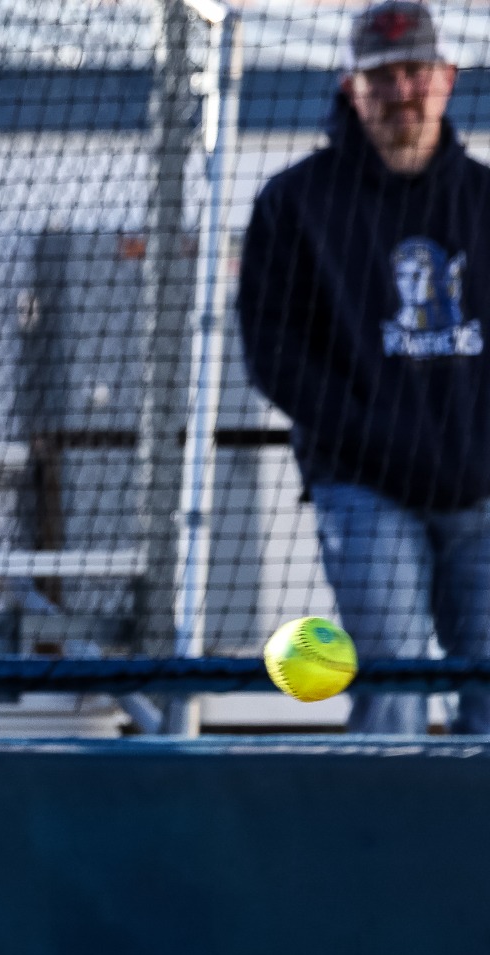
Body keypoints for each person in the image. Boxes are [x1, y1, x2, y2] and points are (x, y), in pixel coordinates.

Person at [238, 1, 490, 734]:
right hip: (364, 492)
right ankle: (391, 846)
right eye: (382, 78)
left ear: (445, 79)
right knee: (394, 690)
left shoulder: (485, 201)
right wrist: (383, 443)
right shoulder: (294, 203)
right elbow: (274, 355)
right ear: (353, 87)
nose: (401, 93)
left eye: (415, 72)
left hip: (482, 494)